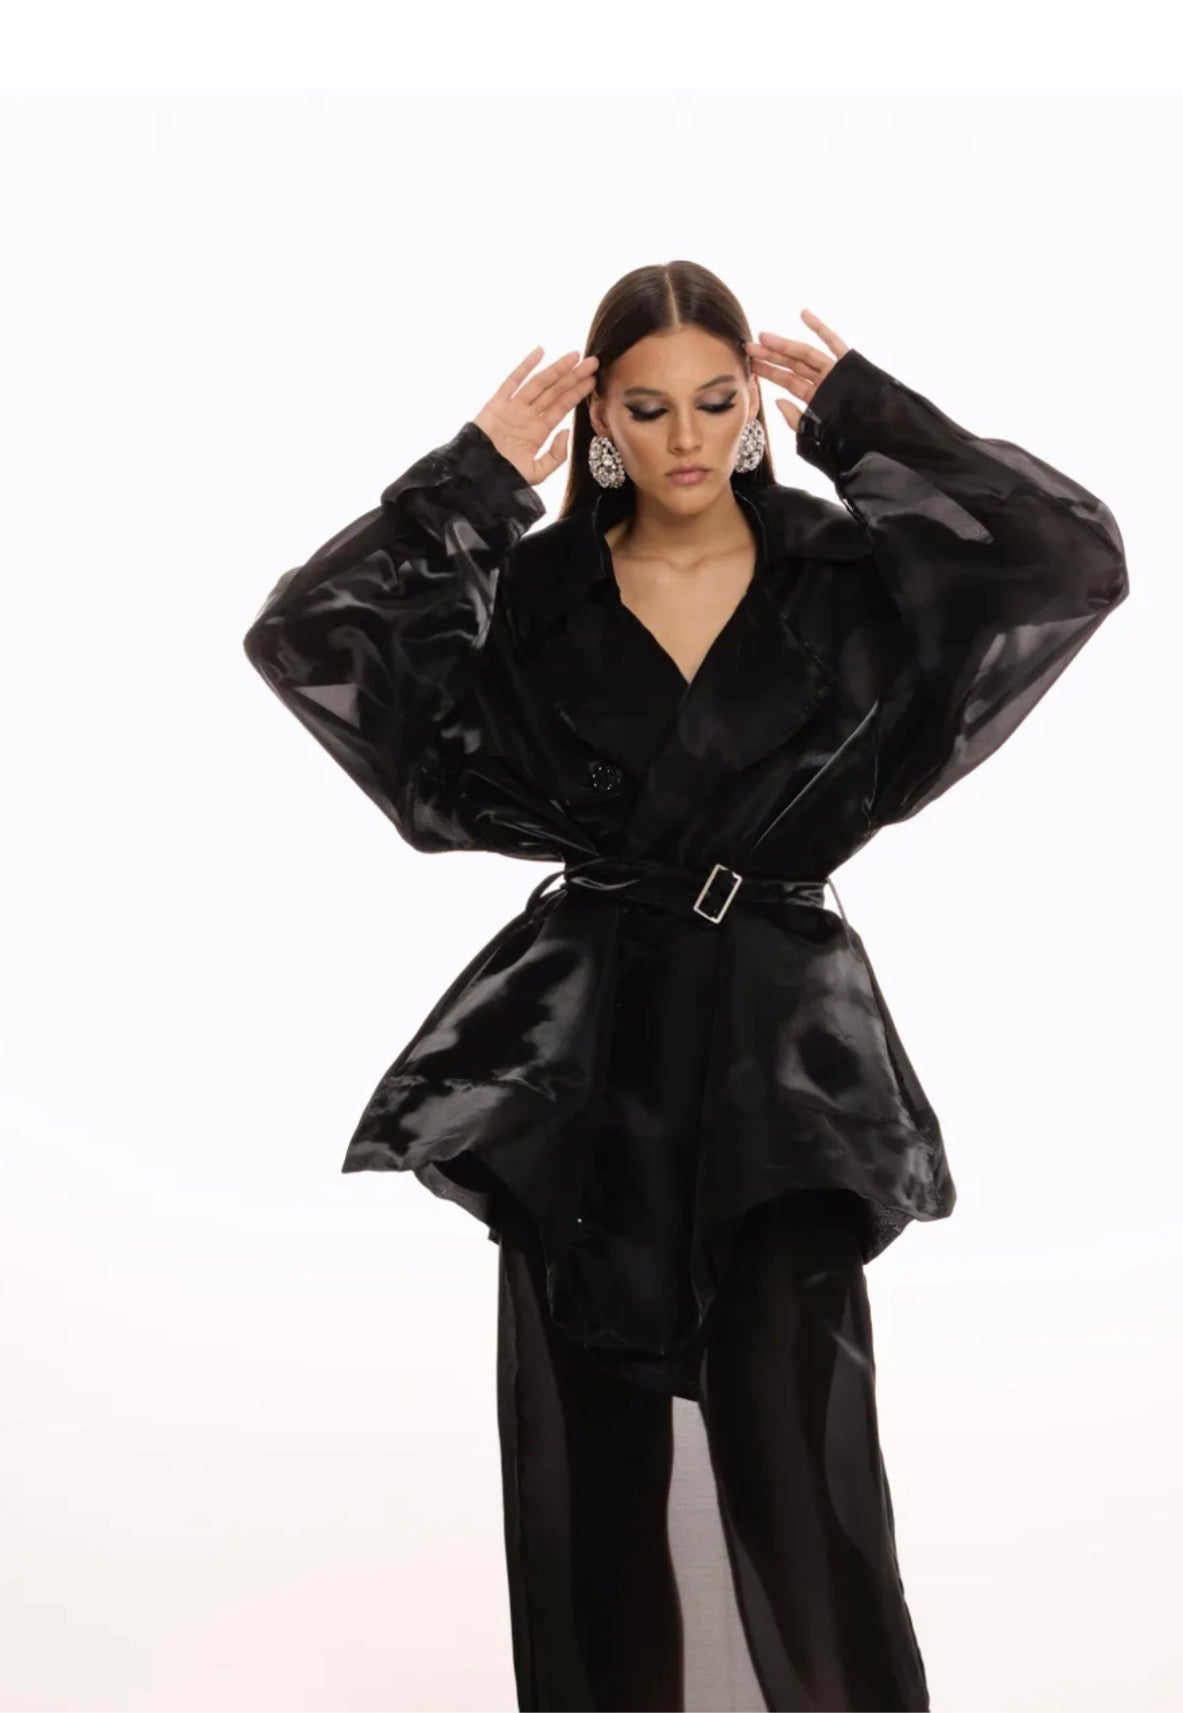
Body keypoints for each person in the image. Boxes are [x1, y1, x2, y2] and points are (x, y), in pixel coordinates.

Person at [242, 261, 1129, 1711]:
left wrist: (871, 420)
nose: (687, 438)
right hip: (586, 1060)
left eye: (718, 402)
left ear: (754, 406)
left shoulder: (848, 575)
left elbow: (1069, 564)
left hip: (785, 1064)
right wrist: (471, 484)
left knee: (807, 1478)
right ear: (597, 418)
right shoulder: (532, 595)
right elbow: (308, 639)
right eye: (647, 408)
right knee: (591, 1489)